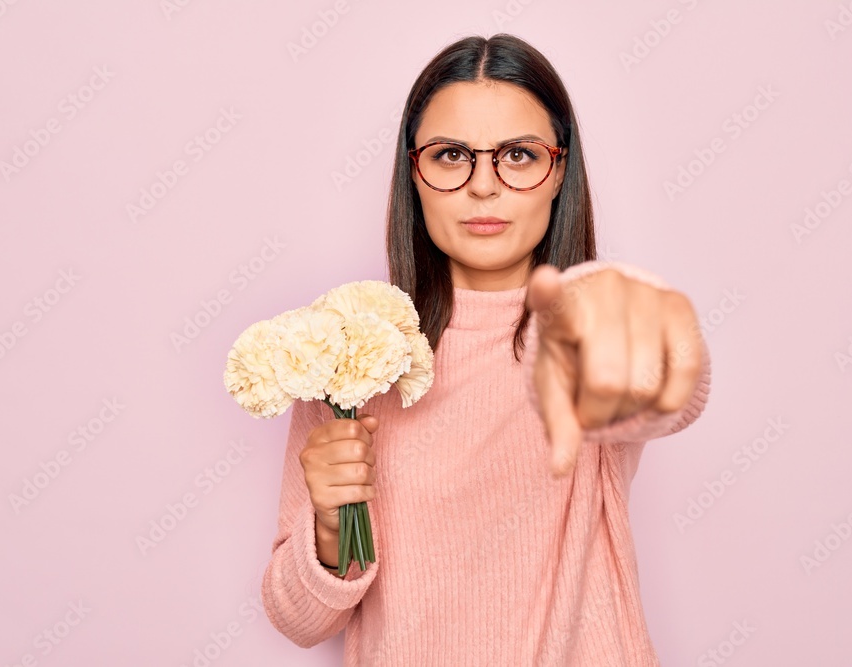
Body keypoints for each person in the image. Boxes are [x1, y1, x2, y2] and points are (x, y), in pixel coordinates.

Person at [261, 33, 712, 666]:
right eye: (451, 155)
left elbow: (671, 390)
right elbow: (300, 621)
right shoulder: (352, 351)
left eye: (519, 156)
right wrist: (332, 525)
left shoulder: (582, 328)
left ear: (558, 172)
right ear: (413, 173)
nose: (483, 186)